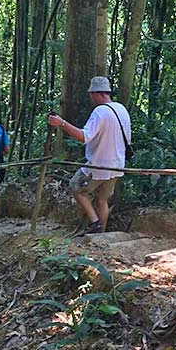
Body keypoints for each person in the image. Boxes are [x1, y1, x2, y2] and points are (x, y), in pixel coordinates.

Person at [48, 76, 131, 234]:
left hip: (97, 165)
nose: (91, 98)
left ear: (97, 93)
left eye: (91, 94)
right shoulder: (121, 109)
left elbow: (85, 136)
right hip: (117, 164)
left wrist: (62, 123)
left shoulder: (100, 112)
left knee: (76, 187)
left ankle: (95, 222)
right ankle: (101, 234)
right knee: (102, 199)